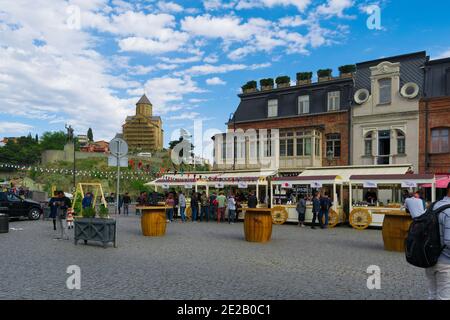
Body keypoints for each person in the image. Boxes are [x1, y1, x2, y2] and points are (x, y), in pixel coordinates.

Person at [425, 182, 450, 300]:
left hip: (429, 258)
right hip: (446, 262)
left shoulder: (433, 205)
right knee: (444, 297)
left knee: (432, 294)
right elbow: (449, 241)